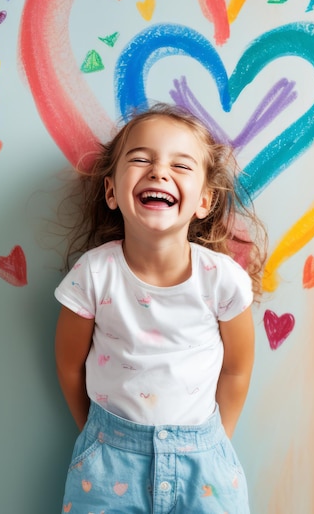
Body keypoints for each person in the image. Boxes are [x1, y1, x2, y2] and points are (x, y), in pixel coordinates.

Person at [54, 102, 267, 513]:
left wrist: (218, 441)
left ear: (204, 201)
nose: (159, 172)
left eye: (181, 165)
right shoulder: (94, 274)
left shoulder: (221, 279)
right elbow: (68, 364)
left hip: (204, 466)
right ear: (112, 192)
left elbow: (238, 367)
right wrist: (98, 436)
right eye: (140, 159)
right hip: (108, 461)